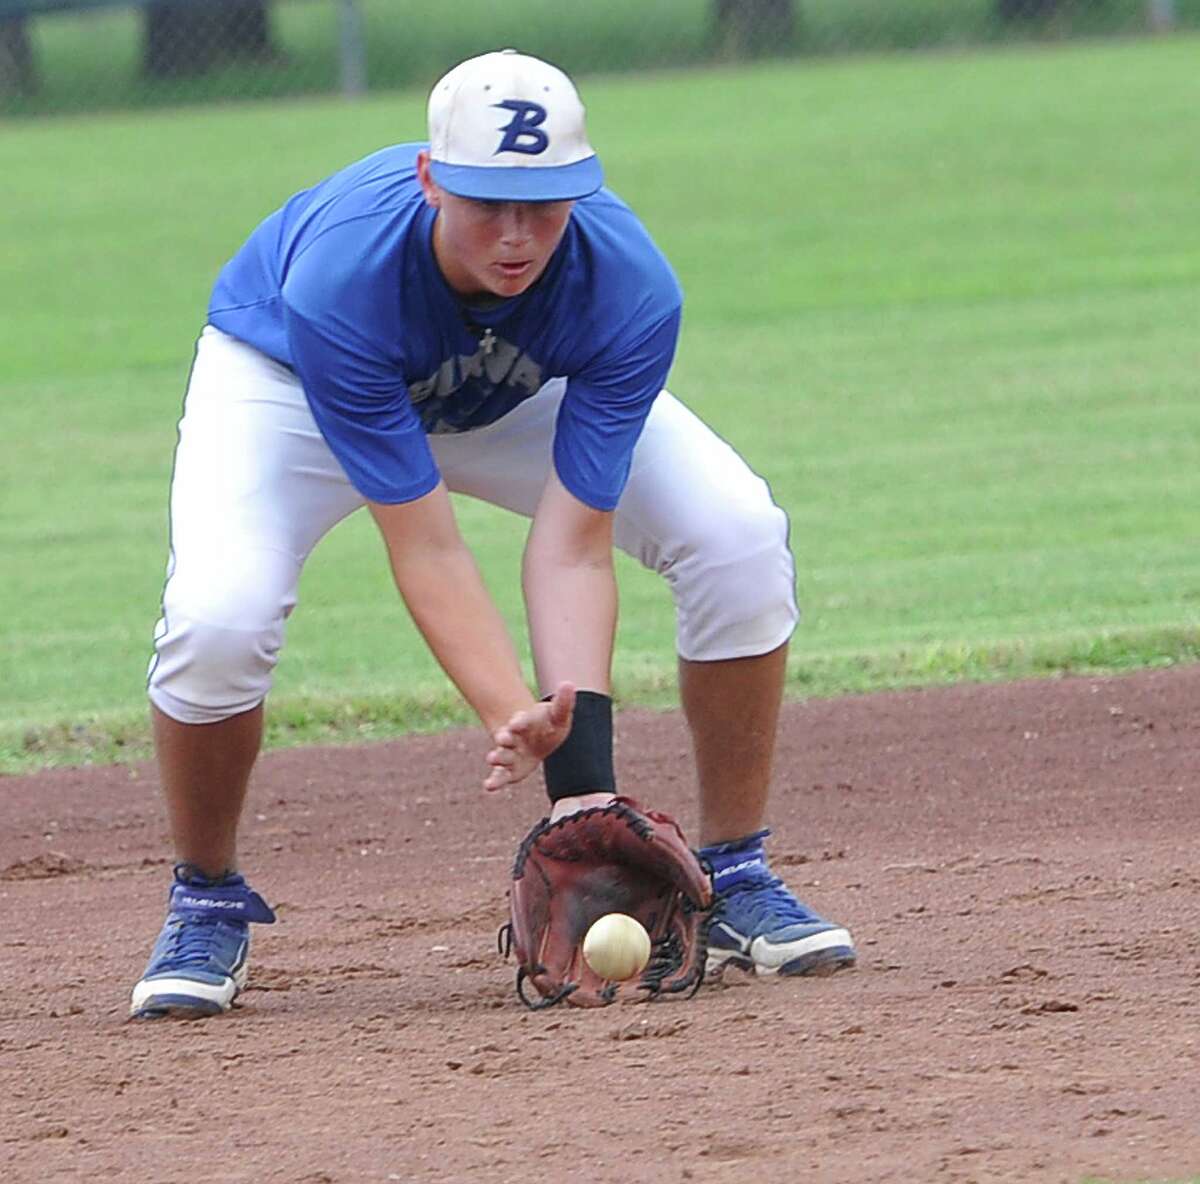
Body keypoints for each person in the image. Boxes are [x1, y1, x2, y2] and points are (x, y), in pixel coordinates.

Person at [131, 48, 856, 1019]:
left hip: (518, 387)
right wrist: (503, 704)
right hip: (292, 384)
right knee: (221, 615)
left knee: (736, 534)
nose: (517, 237)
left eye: (545, 206)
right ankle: (206, 896)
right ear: (430, 180)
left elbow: (573, 542)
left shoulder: (626, 285)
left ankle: (736, 873)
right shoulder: (344, 279)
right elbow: (425, 541)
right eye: (485, 204)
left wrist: (579, 788)